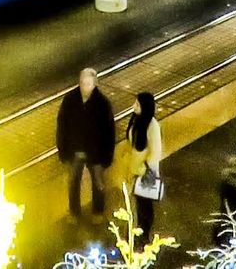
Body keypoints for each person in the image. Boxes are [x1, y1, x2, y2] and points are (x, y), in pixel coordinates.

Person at [55, 67, 115, 218]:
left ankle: (98, 212)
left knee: (98, 183)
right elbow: (62, 126)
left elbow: (109, 131)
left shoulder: (103, 103)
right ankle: (74, 212)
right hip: (74, 150)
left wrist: (107, 156)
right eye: (82, 82)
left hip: (96, 152)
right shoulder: (70, 100)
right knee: (73, 182)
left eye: (88, 83)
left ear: (95, 84)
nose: (84, 86)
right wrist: (63, 151)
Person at [125, 91, 163, 249]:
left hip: (145, 173)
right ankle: (139, 231)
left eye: (137, 104)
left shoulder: (152, 125)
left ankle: (144, 234)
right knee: (139, 204)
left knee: (145, 205)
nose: (134, 106)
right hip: (134, 169)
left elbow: (155, 152)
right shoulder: (136, 120)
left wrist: (143, 168)